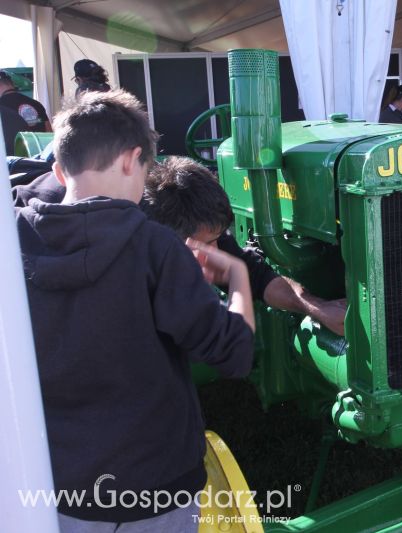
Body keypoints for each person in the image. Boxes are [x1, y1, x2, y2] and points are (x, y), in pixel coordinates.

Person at [15, 89, 255, 531]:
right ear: (132, 160)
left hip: (59, 486)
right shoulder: (155, 247)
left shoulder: (13, 237)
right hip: (156, 489)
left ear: (58, 170)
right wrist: (238, 277)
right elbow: (234, 354)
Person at [141, 156, 347, 336]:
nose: (216, 252)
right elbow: (231, 353)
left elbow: (257, 276)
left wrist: (317, 307)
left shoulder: (201, 227)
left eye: (217, 239)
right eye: (206, 244)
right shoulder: (129, 266)